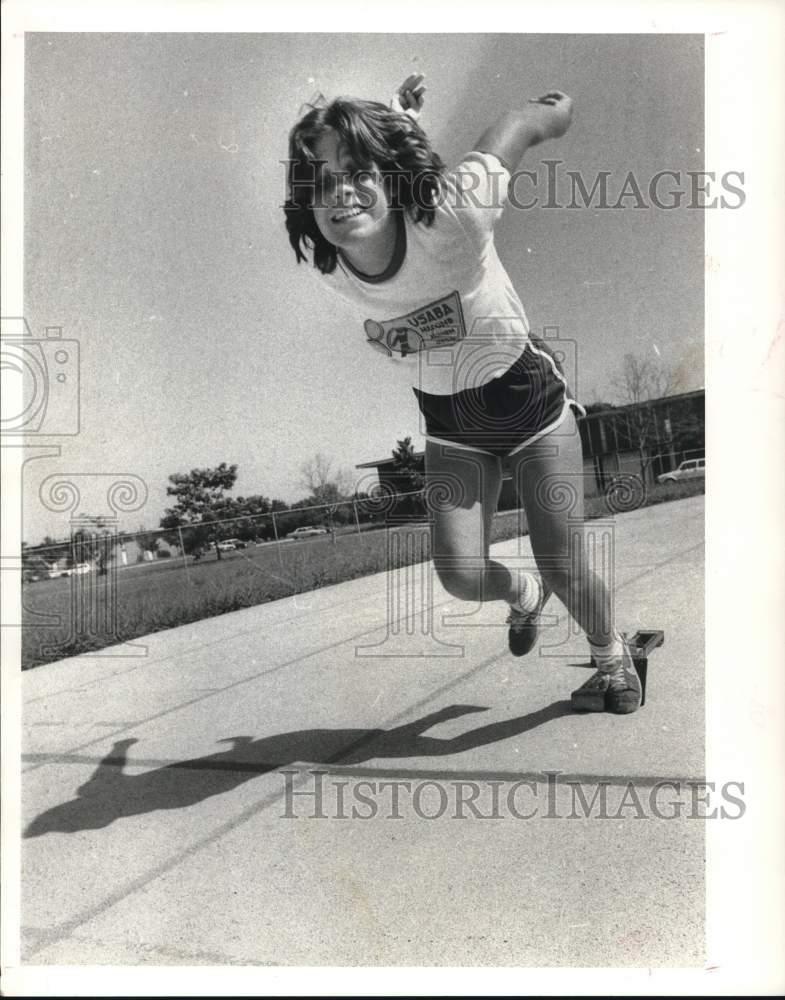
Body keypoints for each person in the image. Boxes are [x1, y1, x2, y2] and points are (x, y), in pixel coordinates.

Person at [284, 74, 641, 714]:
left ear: (392, 178)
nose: (339, 194)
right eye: (320, 182)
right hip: (452, 424)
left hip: (530, 405)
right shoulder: (330, 265)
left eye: (357, 173)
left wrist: (551, 111)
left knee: (562, 562)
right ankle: (523, 597)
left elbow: (511, 132)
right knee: (459, 573)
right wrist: (398, 123)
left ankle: (612, 660)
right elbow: (379, 176)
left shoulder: (456, 215)